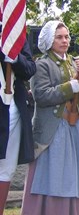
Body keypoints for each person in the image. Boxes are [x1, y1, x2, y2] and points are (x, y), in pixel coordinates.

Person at [21, 20, 79, 214]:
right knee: (53, 174)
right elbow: (41, 95)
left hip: (77, 128)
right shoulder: (42, 65)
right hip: (54, 130)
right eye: (59, 37)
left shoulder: (73, 62)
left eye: (67, 36)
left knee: (76, 174)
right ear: (49, 40)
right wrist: (69, 87)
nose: (65, 40)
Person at [0, 31, 36, 215]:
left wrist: (13, 57)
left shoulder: (15, 33)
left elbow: (30, 69)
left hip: (11, 109)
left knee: (6, 170)